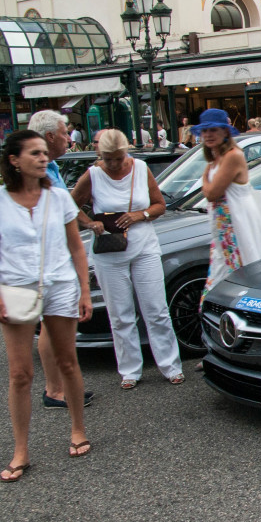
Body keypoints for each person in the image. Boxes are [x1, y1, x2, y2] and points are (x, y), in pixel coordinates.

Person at [0, 130, 93, 481]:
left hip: (59, 285)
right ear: (14, 160)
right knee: (20, 373)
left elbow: (76, 248)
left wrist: (85, 291)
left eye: (45, 153)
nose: (44, 159)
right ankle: (21, 450)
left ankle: (77, 429)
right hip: (15, 288)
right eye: (35, 154)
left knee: (67, 361)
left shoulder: (58, 198)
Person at [71, 130, 183, 389]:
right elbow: (71, 204)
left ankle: (170, 365)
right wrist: (90, 223)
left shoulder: (141, 168)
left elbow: (159, 205)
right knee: (120, 314)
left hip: (144, 246)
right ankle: (130, 370)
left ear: (126, 151)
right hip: (110, 251)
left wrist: (139, 215)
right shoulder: (93, 174)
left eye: (118, 158)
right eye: (107, 159)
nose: (113, 164)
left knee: (156, 309)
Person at [26, 109, 93, 409]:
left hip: (56, 256)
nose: (69, 138)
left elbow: (64, 206)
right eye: (65, 132)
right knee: (49, 323)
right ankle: (54, 390)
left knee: (55, 323)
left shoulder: (49, 166)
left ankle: (61, 387)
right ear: (50, 135)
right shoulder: (37, 169)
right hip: (45, 259)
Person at [195, 109, 261, 300]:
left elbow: (212, 193)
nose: (208, 135)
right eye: (204, 131)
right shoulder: (217, 158)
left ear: (225, 131)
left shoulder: (232, 156)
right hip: (223, 225)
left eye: (213, 130)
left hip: (237, 223)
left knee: (239, 278)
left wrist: (205, 175)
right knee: (221, 276)